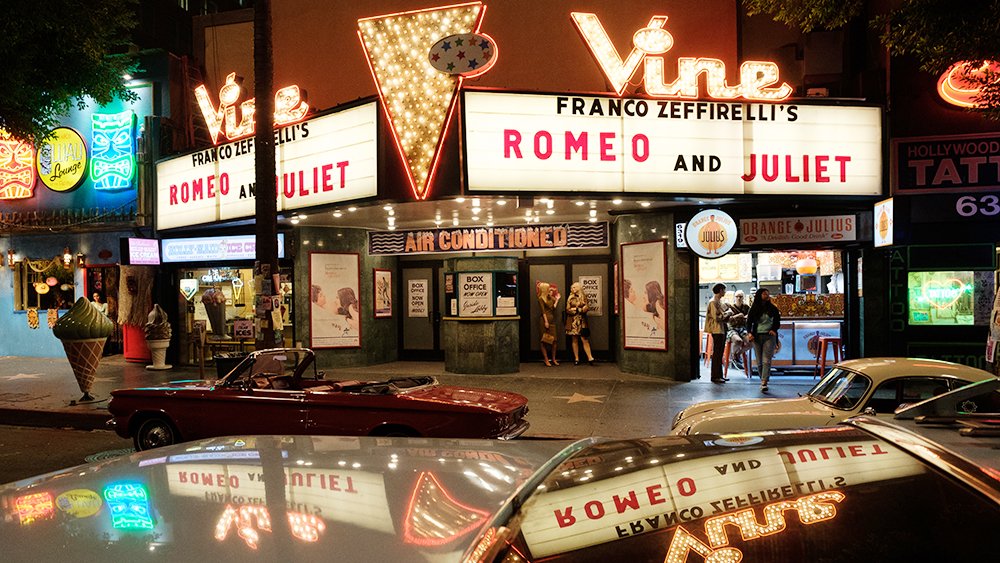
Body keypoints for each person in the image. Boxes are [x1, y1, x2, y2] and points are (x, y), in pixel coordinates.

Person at [747, 287, 782, 392]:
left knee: (767, 360)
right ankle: (763, 378)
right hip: (756, 336)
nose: (767, 296)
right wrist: (749, 333)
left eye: (768, 294)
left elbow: (777, 322)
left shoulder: (773, 308)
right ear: (759, 296)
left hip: (769, 336)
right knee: (759, 361)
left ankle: (764, 381)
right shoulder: (753, 309)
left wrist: (774, 329)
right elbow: (749, 322)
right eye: (764, 294)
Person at [565, 282, 595, 365]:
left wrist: (579, 310)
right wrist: (574, 310)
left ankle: (590, 357)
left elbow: (586, 308)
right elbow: (567, 309)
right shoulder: (570, 297)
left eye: (574, 287)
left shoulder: (583, 296)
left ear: (578, 288)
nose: (572, 289)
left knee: (584, 339)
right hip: (573, 321)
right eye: (572, 288)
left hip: (582, 321)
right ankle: (576, 358)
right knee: (574, 339)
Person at [703, 283, 728, 383]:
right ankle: (715, 376)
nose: (725, 292)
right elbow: (716, 317)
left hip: (721, 329)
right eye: (724, 290)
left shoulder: (718, 301)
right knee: (717, 353)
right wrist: (727, 314)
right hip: (717, 330)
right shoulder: (713, 302)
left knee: (719, 353)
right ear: (720, 290)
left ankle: (719, 375)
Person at [723, 290, 750, 369]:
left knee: (752, 342)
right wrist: (738, 316)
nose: (738, 298)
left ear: (743, 298)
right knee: (738, 341)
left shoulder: (746, 307)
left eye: (740, 296)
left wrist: (747, 316)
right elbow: (727, 319)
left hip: (743, 328)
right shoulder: (731, 307)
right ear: (734, 298)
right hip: (732, 329)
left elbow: (751, 314)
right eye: (737, 296)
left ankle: (737, 354)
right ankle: (734, 355)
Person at [537, 281, 561, 366]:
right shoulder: (541, 298)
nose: (550, 289)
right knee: (544, 341)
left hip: (552, 320)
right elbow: (543, 311)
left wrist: (557, 300)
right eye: (548, 288)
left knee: (554, 341)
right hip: (544, 320)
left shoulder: (550, 297)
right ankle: (546, 359)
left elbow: (553, 307)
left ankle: (553, 359)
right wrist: (546, 321)